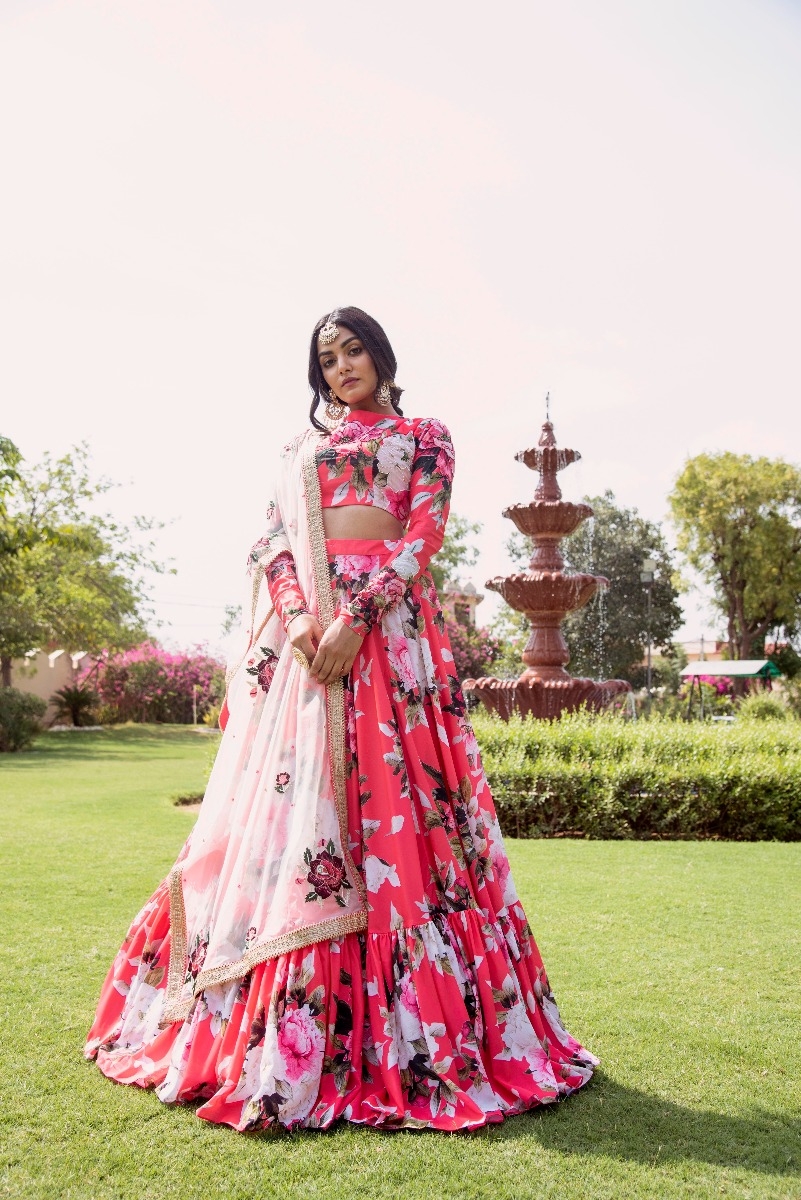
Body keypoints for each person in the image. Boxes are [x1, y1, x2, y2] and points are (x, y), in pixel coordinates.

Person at [84, 306, 596, 1131]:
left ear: (382, 355)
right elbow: (277, 541)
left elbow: (424, 533)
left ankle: (430, 1040)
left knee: (409, 820)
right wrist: (296, 622)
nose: (340, 366)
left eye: (353, 349)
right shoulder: (297, 453)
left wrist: (358, 617)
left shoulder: (427, 434)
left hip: (389, 641)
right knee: (293, 815)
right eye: (326, 357)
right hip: (308, 645)